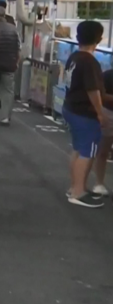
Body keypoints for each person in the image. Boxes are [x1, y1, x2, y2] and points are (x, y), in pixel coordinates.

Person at [62, 21, 107, 209]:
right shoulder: (90, 62)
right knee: (88, 152)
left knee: (79, 149)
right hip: (85, 112)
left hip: (71, 107)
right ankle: (78, 192)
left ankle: (75, 187)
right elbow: (93, 90)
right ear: (98, 39)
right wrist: (100, 113)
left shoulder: (74, 56)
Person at [91, 69, 113, 197]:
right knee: (103, 150)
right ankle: (99, 183)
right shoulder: (108, 75)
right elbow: (100, 94)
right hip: (108, 113)